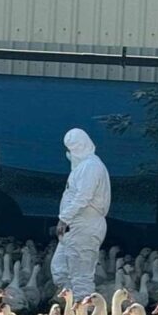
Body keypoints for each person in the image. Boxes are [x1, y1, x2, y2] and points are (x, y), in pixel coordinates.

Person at [50, 128, 111, 302]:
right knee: (60, 269)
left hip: (84, 225)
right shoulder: (83, 167)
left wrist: (64, 218)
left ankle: (85, 313)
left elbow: (83, 197)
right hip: (75, 227)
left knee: (81, 277)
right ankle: (71, 308)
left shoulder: (91, 167)